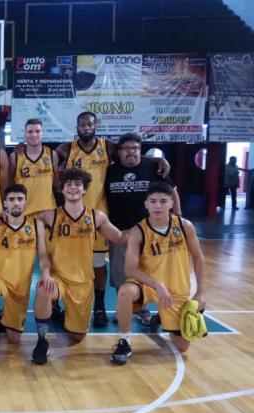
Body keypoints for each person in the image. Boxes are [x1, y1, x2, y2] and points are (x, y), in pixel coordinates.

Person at [56, 112, 169, 327]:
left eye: (90, 123)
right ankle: (66, 304)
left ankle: (99, 306)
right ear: (77, 126)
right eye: (83, 124)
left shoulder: (107, 147)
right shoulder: (65, 149)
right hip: (71, 216)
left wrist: (157, 160)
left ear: (96, 126)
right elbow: (52, 172)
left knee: (99, 264)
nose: (87, 127)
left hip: (99, 216)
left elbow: (132, 158)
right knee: (70, 263)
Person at [33, 169, 125, 359]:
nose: (73, 187)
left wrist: (151, 227)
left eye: (77, 184)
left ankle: (70, 318)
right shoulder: (48, 217)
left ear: (84, 190)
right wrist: (46, 273)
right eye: (68, 184)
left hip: (83, 282)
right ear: (62, 190)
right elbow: (42, 251)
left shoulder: (97, 217)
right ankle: (42, 341)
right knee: (43, 289)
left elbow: (120, 237)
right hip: (57, 277)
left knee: (78, 336)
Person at [112, 182, 206, 365]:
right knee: (125, 292)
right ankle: (124, 341)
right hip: (148, 285)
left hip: (175, 291)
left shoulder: (185, 226)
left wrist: (201, 291)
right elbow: (129, 269)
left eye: (163, 201)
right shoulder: (138, 232)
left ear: (171, 203)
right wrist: (156, 284)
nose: (158, 206)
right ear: (146, 204)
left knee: (182, 347)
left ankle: (160, 316)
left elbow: (198, 257)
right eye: (153, 201)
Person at [105, 132, 181, 324]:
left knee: (151, 270)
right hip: (120, 232)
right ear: (119, 152)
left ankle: (149, 309)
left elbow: (172, 192)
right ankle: (126, 307)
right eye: (126, 148)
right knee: (121, 272)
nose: (131, 152)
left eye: (135, 148)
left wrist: (178, 218)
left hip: (150, 232)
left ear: (140, 150)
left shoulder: (153, 168)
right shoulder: (110, 171)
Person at [0, 184, 49, 367]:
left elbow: (43, 255)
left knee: (13, 339)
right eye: (11, 199)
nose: (16, 203)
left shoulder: (36, 225)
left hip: (21, 285)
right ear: (5, 203)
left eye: (19, 199)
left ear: (26, 202)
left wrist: (46, 273)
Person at [10, 118, 58, 216]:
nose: (34, 135)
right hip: (23, 213)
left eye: (37, 131)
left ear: (42, 133)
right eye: (30, 131)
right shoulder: (15, 156)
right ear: (25, 134)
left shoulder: (52, 155)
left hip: (48, 212)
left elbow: (56, 184)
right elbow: (10, 185)